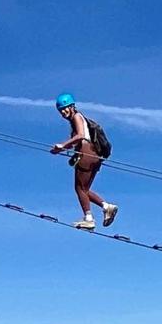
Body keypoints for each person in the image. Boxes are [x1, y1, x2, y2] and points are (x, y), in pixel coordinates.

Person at [50, 92, 118, 229]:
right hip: (94, 155)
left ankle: (89, 218)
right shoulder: (78, 118)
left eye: (65, 108)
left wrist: (63, 145)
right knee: (84, 189)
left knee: (79, 188)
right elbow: (78, 139)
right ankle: (106, 207)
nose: (63, 112)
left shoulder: (76, 117)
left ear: (72, 106)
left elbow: (81, 136)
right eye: (61, 110)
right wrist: (61, 149)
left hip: (86, 153)